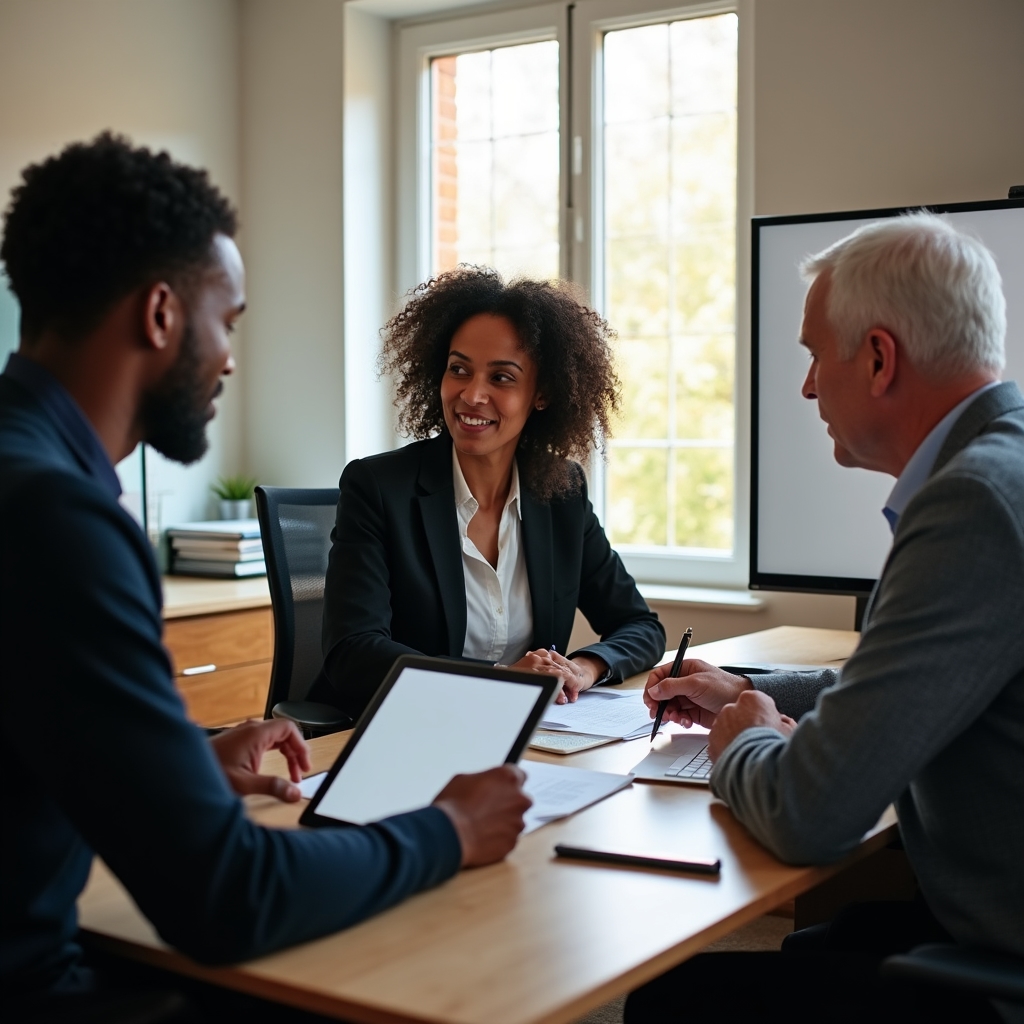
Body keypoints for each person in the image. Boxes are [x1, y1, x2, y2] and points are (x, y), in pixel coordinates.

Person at [0, 134, 532, 1023]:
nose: (231, 359)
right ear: (162, 315)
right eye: (230, 322)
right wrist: (450, 831)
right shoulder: (62, 522)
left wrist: (184, 765)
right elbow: (228, 899)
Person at [630, 214, 1023, 1023]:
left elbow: (810, 814)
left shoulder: (972, 502)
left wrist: (744, 735)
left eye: (815, 355)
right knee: (821, 945)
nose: (808, 387)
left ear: (879, 358)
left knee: (672, 1004)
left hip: (1001, 961)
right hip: (981, 914)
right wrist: (745, 685)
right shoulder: (1003, 464)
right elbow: (913, 684)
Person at [308, 267, 665, 721]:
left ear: (541, 394)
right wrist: (500, 679)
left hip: (517, 735)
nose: (472, 394)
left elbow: (640, 626)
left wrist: (581, 669)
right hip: (394, 729)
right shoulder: (378, 488)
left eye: (502, 378)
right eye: (459, 369)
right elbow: (353, 652)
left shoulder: (561, 494)